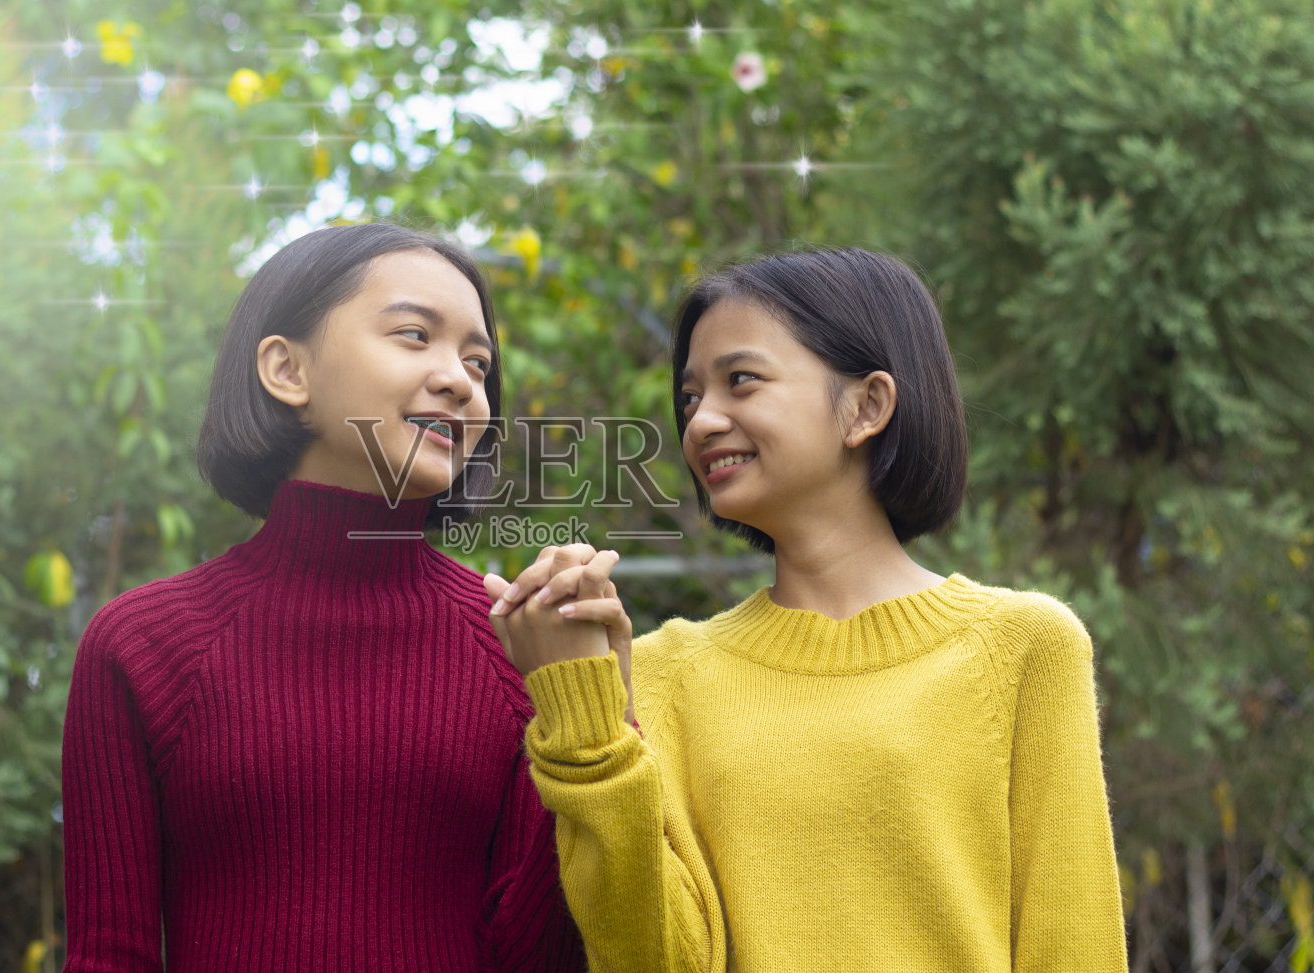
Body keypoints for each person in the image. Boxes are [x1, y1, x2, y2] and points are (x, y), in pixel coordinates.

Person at [484, 247, 1128, 972]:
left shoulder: (1024, 646)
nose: (701, 422)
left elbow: (1074, 947)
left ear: (867, 406)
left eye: (742, 381)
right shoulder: (664, 671)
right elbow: (651, 959)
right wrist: (584, 713)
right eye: (692, 396)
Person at [61, 222, 584, 972]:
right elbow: (112, 955)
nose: (461, 380)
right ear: (286, 369)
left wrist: (590, 706)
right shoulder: (141, 645)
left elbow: (541, 956)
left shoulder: (520, 648)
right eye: (414, 335)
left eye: (478, 362)